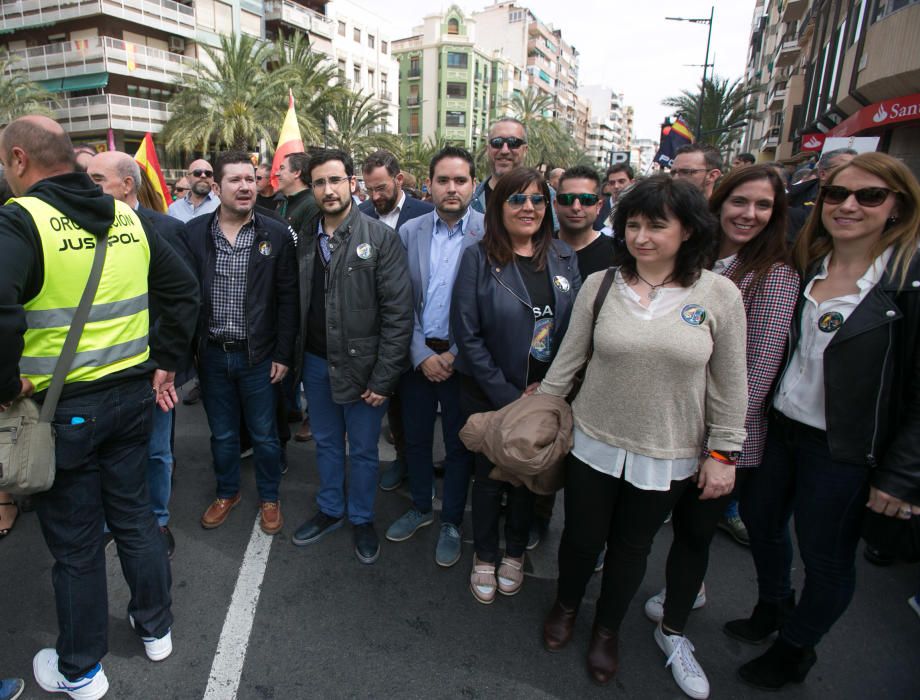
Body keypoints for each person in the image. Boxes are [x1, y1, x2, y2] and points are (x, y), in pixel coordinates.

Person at [0, 115, 198, 698]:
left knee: (78, 544)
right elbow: (183, 288)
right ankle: (155, 626)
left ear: (19, 159)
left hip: (63, 412)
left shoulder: (22, 220)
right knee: (135, 517)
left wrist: (5, 383)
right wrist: (166, 358)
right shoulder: (124, 216)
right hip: (132, 399)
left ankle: (81, 668)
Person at [538, 175, 748, 686]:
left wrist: (724, 453)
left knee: (632, 549)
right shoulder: (602, 284)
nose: (641, 237)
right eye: (632, 224)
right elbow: (568, 360)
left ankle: (607, 630)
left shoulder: (718, 294)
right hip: (594, 440)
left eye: (657, 225)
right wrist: (544, 409)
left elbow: (729, 381)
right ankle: (566, 606)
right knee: (582, 539)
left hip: (668, 450)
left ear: (688, 231)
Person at [728, 152, 920, 690]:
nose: (848, 205)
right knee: (763, 526)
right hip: (782, 430)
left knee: (826, 557)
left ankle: (796, 648)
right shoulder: (805, 262)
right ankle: (773, 607)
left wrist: (901, 478)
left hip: (844, 450)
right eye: (836, 194)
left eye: (869, 196)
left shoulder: (908, 281)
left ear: (897, 207)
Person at [642, 164, 800, 698]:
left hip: (720, 438)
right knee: (656, 525)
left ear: (777, 214)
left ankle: (676, 631)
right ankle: (685, 594)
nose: (748, 214)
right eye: (739, 201)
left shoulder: (773, 273)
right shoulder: (696, 260)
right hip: (668, 424)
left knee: (694, 532)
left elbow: (755, 373)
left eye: (763, 206)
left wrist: (721, 449)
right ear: (718, 202)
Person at [452, 167, 581, 604]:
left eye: (537, 200)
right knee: (489, 480)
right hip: (490, 392)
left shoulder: (564, 256)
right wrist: (510, 398)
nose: (529, 208)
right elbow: (466, 334)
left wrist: (548, 392)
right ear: (497, 206)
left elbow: (576, 333)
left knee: (529, 477)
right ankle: (485, 554)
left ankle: (514, 552)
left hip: (544, 394)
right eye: (517, 200)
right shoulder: (477, 256)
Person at [291, 149, 412, 565]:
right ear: (312, 189)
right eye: (320, 182)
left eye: (335, 180)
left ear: (351, 184)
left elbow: (399, 316)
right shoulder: (305, 236)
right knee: (325, 443)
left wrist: (383, 379)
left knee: (362, 450)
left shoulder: (381, 239)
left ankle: (361, 517)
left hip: (364, 368)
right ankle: (330, 510)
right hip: (315, 363)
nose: (328, 189)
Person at [181, 151, 298, 536]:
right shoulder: (195, 233)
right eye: (235, 180)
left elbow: (287, 299)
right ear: (217, 187)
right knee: (224, 434)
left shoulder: (276, 233)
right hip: (213, 356)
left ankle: (269, 498)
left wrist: (282, 353)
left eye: (251, 179)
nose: (246, 186)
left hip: (258, 357)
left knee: (264, 435)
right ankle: (227, 492)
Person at [86, 150, 192, 558]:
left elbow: (181, 302)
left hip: (151, 370)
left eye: (96, 180)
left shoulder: (164, 229)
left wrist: (164, 363)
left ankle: (158, 521)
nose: (86, 186)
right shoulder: (78, 230)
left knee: (156, 451)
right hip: (98, 372)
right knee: (104, 453)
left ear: (127, 184)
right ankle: (110, 521)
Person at [383, 147, 483, 567]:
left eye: (460, 180)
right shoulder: (410, 232)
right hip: (418, 356)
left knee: (461, 446)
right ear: (429, 184)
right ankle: (422, 507)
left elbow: (488, 307)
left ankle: (453, 522)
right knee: (418, 439)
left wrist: (457, 355)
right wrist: (421, 352)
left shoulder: (488, 232)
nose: (451, 188)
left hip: (466, 362)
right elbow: (399, 300)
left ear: (473, 185)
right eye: (443, 180)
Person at [527, 164, 615, 551]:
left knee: (587, 468)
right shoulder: (537, 244)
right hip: (544, 373)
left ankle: (587, 541)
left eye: (586, 199)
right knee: (543, 451)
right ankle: (538, 516)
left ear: (600, 204)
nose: (575, 206)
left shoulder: (617, 254)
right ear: (554, 203)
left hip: (598, 377)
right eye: (566, 199)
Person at [357, 150, 433, 492]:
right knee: (386, 409)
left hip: (416, 328)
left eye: (382, 189)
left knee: (413, 412)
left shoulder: (426, 214)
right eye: (369, 189)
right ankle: (400, 459)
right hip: (373, 331)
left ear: (399, 180)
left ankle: (416, 468)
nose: (375, 197)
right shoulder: (358, 215)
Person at [274, 151, 319, 442]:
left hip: (304, 292)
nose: (277, 172)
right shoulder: (283, 203)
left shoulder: (311, 206)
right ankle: (290, 407)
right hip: (283, 291)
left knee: (306, 358)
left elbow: (305, 253)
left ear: (297, 173)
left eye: (282, 168)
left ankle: (312, 417)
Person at [787, 148, 858, 242]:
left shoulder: (867, 199)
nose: (854, 173)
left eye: (857, 168)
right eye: (846, 168)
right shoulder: (792, 199)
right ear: (823, 174)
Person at [166, 158, 219, 223]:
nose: (203, 176)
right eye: (197, 173)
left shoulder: (222, 206)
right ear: (188, 179)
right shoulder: (174, 208)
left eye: (208, 173)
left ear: (213, 178)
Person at [594, 164, 635, 232]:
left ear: (632, 182)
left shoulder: (640, 208)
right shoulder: (597, 208)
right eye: (612, 183)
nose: (616, 186)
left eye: (621, 181)